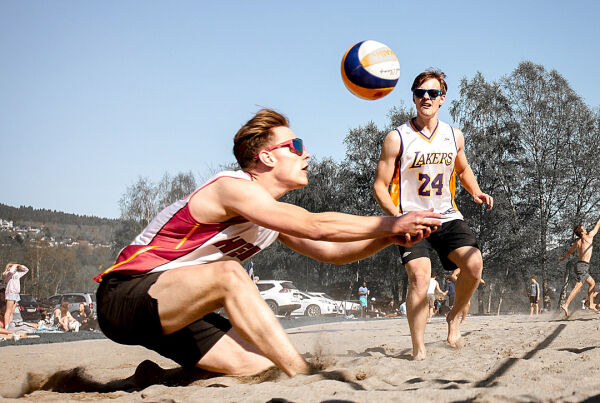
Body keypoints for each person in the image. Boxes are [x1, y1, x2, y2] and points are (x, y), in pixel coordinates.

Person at [94, 108, 442, 377]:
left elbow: (332, 252)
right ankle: (303, 376)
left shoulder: (268, 217)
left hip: (176, 311)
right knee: (230, 274)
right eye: (297, 146)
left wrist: (388, 236)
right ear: (266, 157)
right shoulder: (232, 188)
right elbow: (315, 226)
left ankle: (154, 378)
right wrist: (391, 220)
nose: (307, 155)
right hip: (125, 294)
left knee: (260, 365)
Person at [373, 69, 493, 359]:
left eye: (433, 93)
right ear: (414, 98)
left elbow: (462, 170)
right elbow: (379, 186)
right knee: (420, 278)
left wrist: (475, 191)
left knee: (474, 264)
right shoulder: (396, 138)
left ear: (442, 99)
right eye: (420, 92)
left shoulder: (454, 136)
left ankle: (453, 317)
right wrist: (396, 218)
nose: (426, 97)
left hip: (447, 216)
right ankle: (419, 348)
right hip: (412, 219)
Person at [558, 218, 600, 317]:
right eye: (583, 228)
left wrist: (563, 258)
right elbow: (598, 225)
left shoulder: (577, 242)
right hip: (583, 266)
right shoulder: (589, 237)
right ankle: (566, 304)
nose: (585, 228)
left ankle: (591, 304)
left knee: (592, 283)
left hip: (581, 266)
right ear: (582, 232)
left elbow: (569, 252)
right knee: (578, 286)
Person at [2, 263, 29, 329]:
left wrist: (20, 266)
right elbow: (11, 271)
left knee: (12, 311)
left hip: (16, 294)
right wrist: (15, 265)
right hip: (10, 293)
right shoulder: (8, 273)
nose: (15, 268)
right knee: (8, 310)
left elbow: (26, 270)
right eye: (12, 266)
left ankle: (10, 324)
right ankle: (6, 326)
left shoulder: (17, 274)